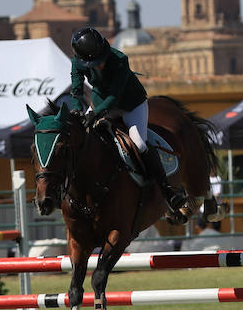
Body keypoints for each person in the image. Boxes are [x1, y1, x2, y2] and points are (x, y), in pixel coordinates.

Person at [68, 27, 190, 219]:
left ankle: (167, 191)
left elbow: (115, 97)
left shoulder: (119, 59)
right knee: (84, 140)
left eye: (101, 60)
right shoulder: (77, 62)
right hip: (101, 103)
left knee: (139, 143)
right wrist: (76, 109)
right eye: (95, 63)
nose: (100, 65)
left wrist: (96, 113)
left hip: (131, 104)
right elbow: (76, 90)